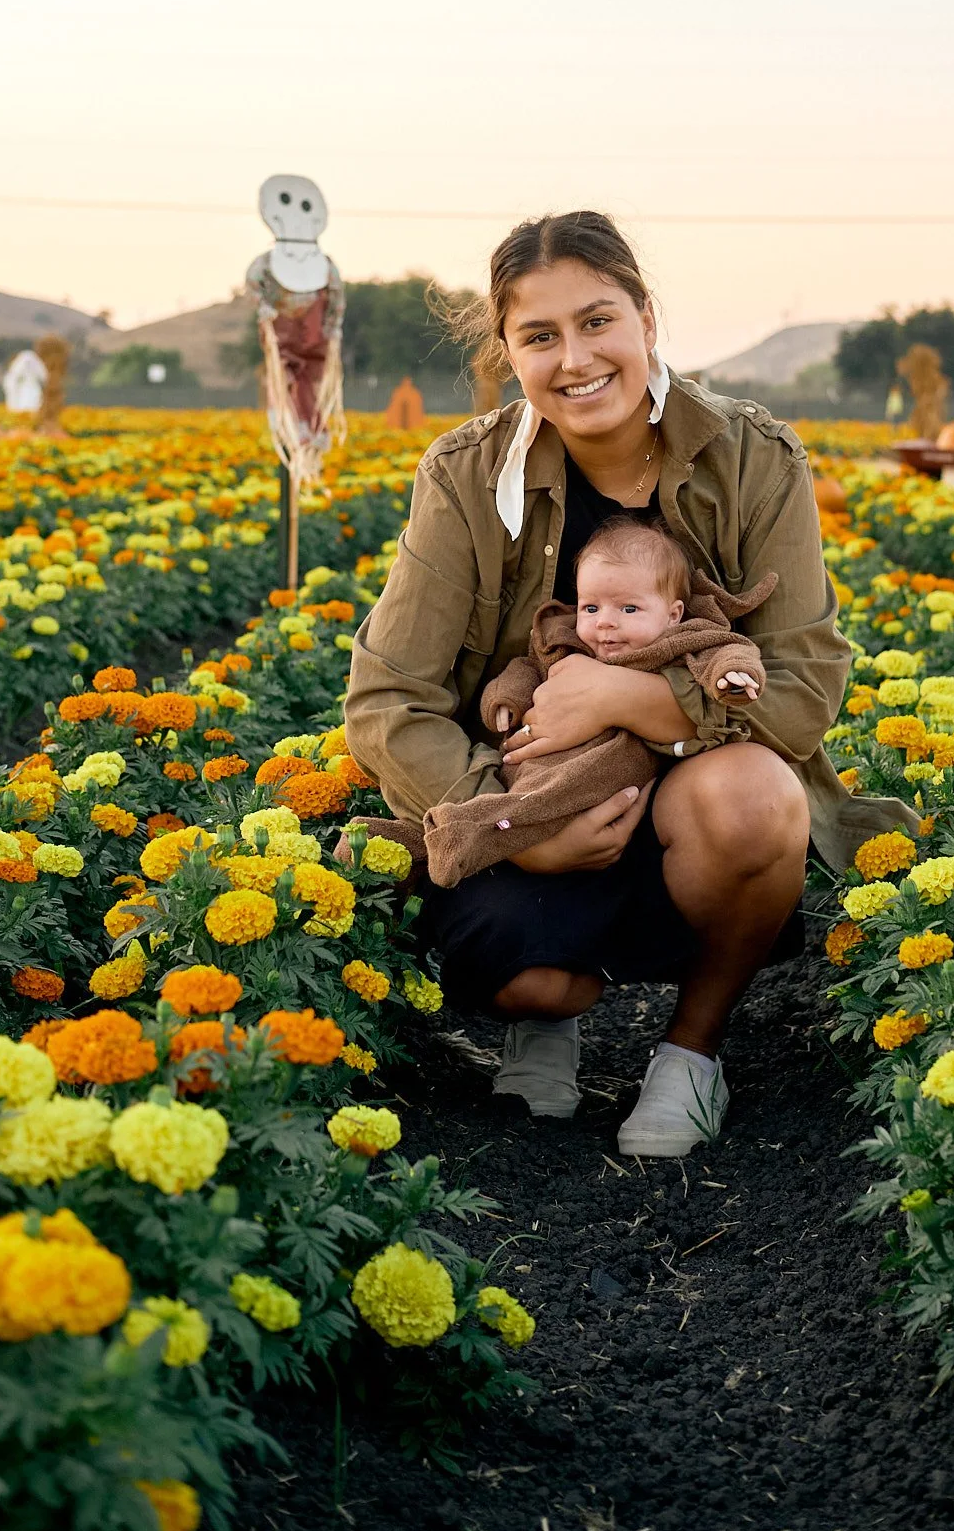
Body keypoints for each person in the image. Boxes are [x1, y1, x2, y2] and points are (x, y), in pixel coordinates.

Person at [343, 212, 916, 1158]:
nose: (575, 359)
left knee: (756, 800)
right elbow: (385, 700)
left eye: (597, 320)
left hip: (692, 803)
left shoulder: (753, 456)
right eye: (539, 335)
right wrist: (514, 826)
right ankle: (547, 1018)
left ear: (645, 318)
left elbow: (804, 687)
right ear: (507, 352)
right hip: (526, 799)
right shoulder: (465, 475)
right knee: (536, 983)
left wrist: (630, 700)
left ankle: (691, 1053)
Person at [420, 518, 771, 887]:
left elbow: (727, 651)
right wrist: (505, 699)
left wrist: (733, 675)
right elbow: (527, 668)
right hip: (536, 761)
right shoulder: (567, 640)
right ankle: (434, 839)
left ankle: (462, 835)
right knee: (519, 789)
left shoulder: (680, 642)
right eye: (590, 608)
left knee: (547, 801)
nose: (605, 622)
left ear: (673, 615)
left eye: (628, 609)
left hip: (602, 775)